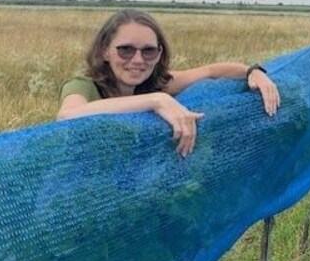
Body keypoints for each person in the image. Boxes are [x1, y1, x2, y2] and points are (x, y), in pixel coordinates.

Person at [58, 9, 280, 157]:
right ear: (105, 51)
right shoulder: (84, 85)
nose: (137, 60)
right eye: (125, 50)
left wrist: (253, 72)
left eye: (148, 51)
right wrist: (157, 101)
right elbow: (68, 115)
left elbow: (211, 71)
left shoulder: (155, 83)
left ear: (159, 53)